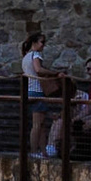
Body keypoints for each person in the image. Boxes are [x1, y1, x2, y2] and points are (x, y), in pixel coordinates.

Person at [22, 31, 61, 160]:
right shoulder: (35, 55)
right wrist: (54, 74)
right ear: (35, 43)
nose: (43, 45)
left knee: (41, 124)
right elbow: (38, 70)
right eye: (42, 42)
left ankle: (43, 152)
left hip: (30, 91)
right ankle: (34, 151)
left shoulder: (26, 57)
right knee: (38, 124)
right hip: (37, 91)